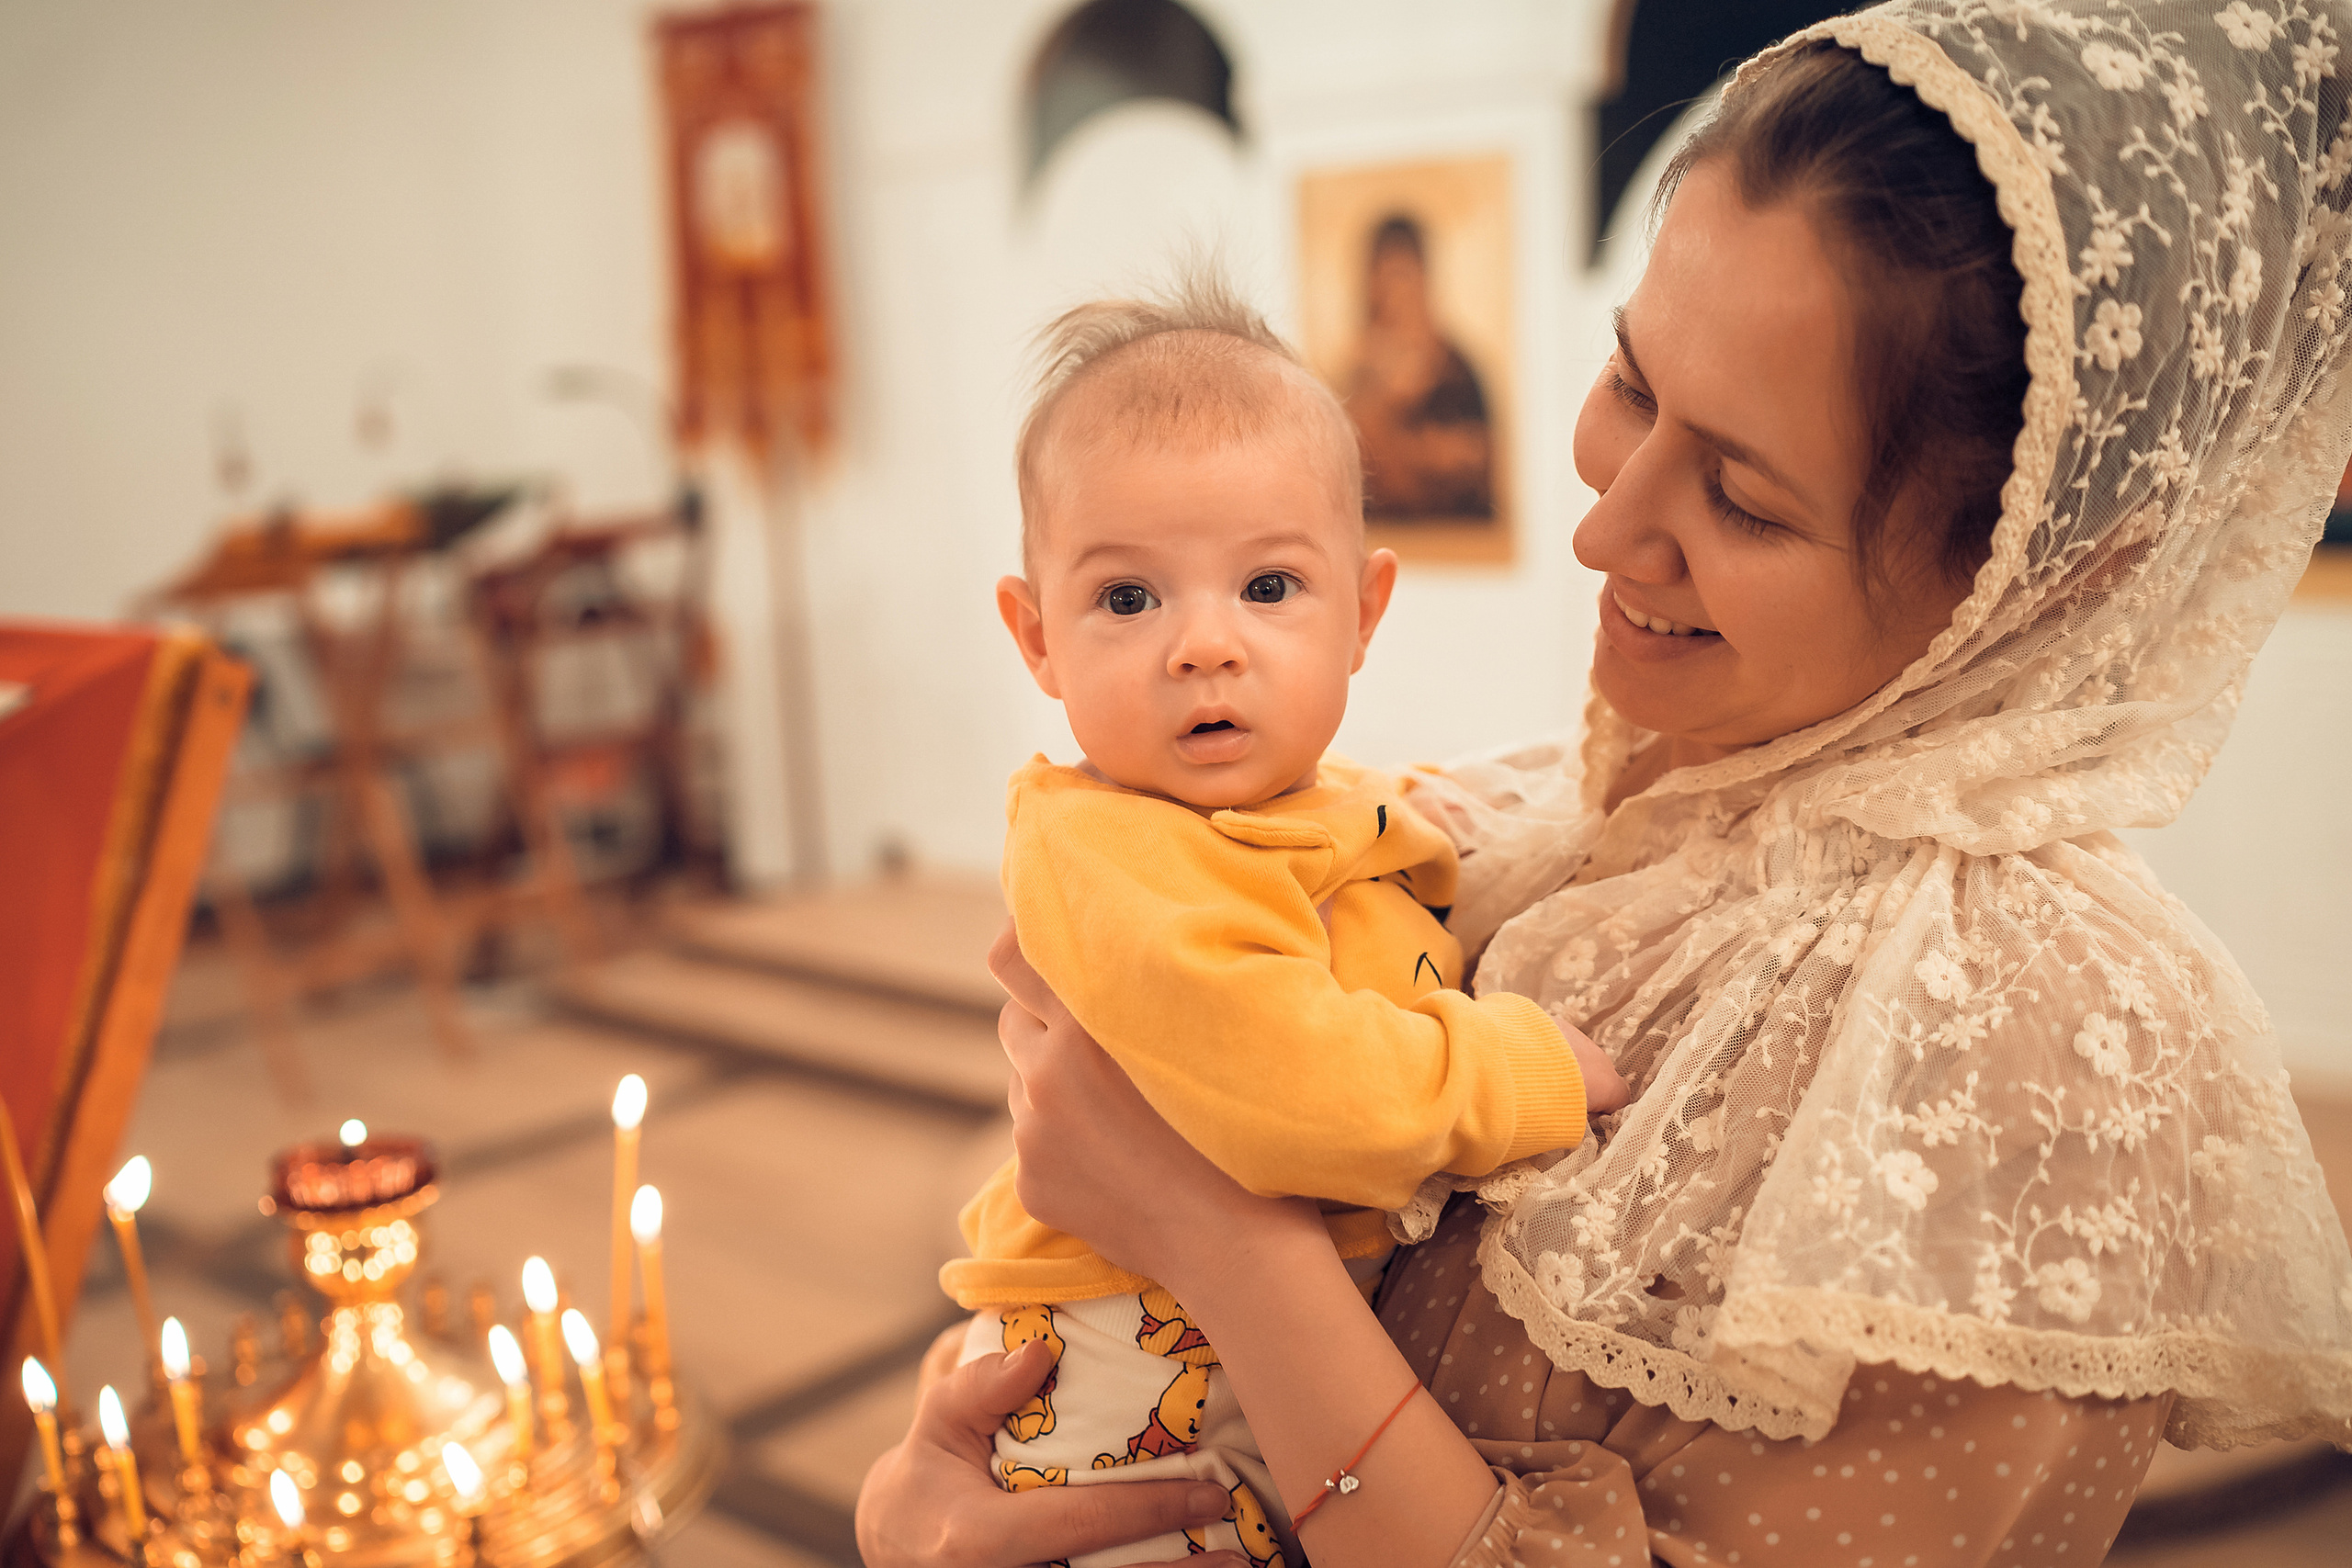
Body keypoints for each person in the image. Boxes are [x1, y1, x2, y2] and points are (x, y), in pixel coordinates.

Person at [859, 4, 2352, 1564]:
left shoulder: (2045, 1049)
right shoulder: (1525, 818)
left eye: (1745, 497)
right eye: (1632, 383)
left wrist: (1228, 1248)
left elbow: (1183, 1183)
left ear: (2042, 581)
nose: (1601, 526)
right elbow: (1078, 1231)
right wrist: (924, 1504)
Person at [948, 282, 1630, 1566]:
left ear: (1362, 613)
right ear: (1036, 635)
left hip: (1241, 1350)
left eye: (1268, 584)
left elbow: (1378, 841)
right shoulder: (1106, 849)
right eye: (1128, 599)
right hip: (1117, 1385)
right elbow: (1301, 1096)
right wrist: (1520, 1065)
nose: (1204, 644)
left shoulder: (1328, 802)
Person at [1345, 214, 1498, 521]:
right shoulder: (1358, 369)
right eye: (1384, 276)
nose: (1395, 291)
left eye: (1403, 275)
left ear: (1424, 278)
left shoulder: (1456, 367)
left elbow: (1477, 458)